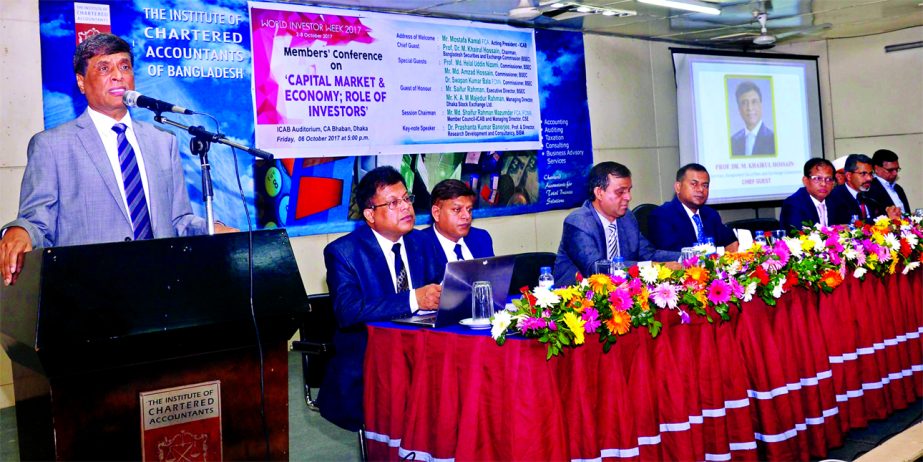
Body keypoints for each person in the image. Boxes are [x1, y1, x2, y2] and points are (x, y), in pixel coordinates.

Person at [0, 33, 233, 286]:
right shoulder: (51, 145)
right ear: (81, 81)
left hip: (161, 285)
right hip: (89, 293)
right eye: (104, 67)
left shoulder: (163, 141)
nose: (118, 75)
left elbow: (178, 220)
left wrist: (214, 227)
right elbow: (37, 220)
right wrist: (19, 230)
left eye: (124, 66)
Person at [320, 166, 442, 431]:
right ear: (370, 215)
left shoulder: (422, 242)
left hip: (424, 357)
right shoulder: (343, 253)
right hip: (371, 364)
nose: (406, 208)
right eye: (393, 203)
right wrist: (413, 300)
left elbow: (439, 290)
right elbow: (348, 311)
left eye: (407, 199)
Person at [553, 162, 680, 287]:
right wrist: (650, 266)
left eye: (629, 191)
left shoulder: (627, 218)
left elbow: (648, 254)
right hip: (578, 299)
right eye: (620, 192)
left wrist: (687, 256)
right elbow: (596, 268)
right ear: (599, 193)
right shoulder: (579, 221)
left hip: (621, 295)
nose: (628, 197)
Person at [647, 163, 739, 253]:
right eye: (694, 184)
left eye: (705, 185)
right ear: (678, 187)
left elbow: (730, 241)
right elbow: (672, 254)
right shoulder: (662, 216)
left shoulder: (710, 214)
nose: (700, 190)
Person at [423, 179, 494, 279]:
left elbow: (493, 282)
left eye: (469, 210)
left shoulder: (481, 238)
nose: (467, 216)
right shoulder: (419, 246)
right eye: (457, 210)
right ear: (436, 213)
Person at [827, 154, 900, 224]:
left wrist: (890, 217)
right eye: (863, 174)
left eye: (871, 174)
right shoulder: (835, 198)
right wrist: (884, 219)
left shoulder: (873, 195)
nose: (869, 178)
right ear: (849, 176)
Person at [779, 158, 839, 230]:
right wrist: (834, 230)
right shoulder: (793, 204)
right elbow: (799, 235)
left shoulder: (836, 201)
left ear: (833, 183)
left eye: (828, 179)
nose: (823, 184)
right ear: (805, 181)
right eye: (817, 178)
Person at [730, 81, 775, 156]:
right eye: (744, 103)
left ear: (761, 105)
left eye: (754, 102)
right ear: (739, 109)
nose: (750, 108)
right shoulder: (733, 141)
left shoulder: (773, 139)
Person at [868, 149, 910, 214]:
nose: (895, 173)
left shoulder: (898, 188)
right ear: (876, 169)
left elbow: (907, 213)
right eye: (890, 170)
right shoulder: (870, 189)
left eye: (897, 169)